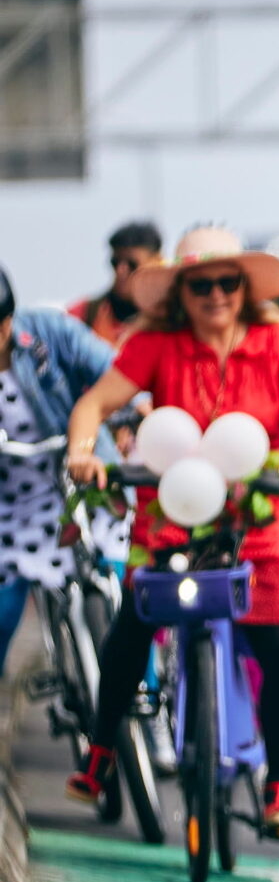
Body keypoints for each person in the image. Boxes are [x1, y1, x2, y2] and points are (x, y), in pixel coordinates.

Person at [64, 226, 279, 838]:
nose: (215, 294)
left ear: (244, 288)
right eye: (201, 285)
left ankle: (278, 783)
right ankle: (101, 751)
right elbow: (92, 405)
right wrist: (83, 452)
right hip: (174, 516)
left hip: (261, 521)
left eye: (227, 282)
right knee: (133, 623)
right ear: (180, 293)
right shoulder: (155, 345)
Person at [0, 266, 116, 674]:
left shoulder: (48, 331)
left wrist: (139, 407)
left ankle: (144, 703)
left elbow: (115, 371)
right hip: (11, 505)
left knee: (120, 586)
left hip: (77, 478)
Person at [68, 220, 163, 349]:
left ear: (157, 261)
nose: (120, 271)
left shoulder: (172, 319)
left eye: (132, 264)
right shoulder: (83, 314)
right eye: (115, 262)